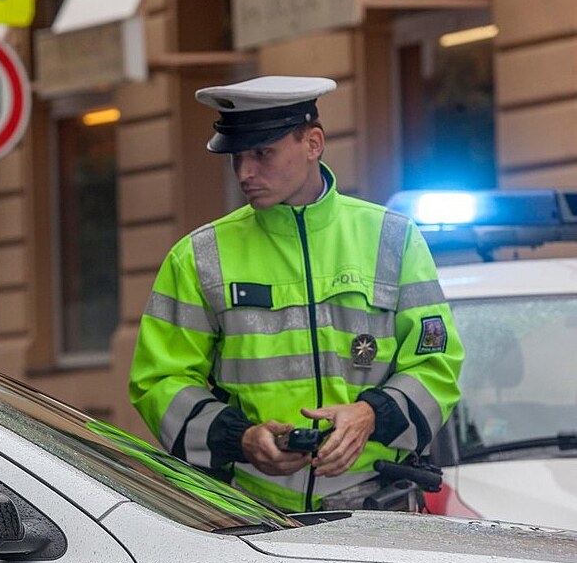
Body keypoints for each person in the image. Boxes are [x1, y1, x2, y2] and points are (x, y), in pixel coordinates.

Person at [129, 75, 463, 513]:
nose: (245, 172)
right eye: (237, 157)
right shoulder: (197, 257)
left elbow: (437, 364)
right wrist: (241, 439)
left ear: (313, 143)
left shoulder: (393, 238)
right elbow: (159, 382)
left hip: (380, 508)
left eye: (262, 153)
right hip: (249, 513)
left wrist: (370, 416)